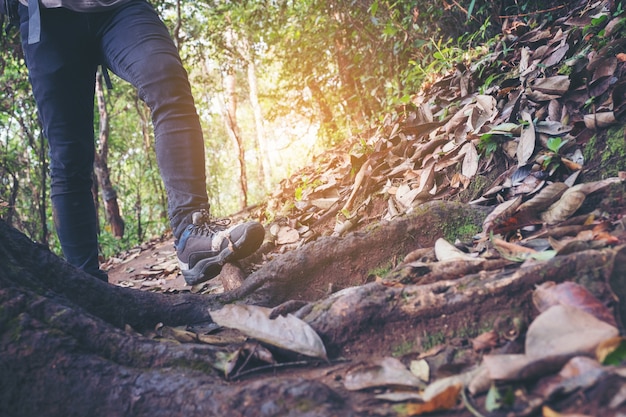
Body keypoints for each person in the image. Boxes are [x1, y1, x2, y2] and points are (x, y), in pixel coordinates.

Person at [13, 0, 265, 285]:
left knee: (167, 80)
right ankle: (89, 286)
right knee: (67, 153)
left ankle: (190, 234)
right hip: (47, 21)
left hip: (121, 8)